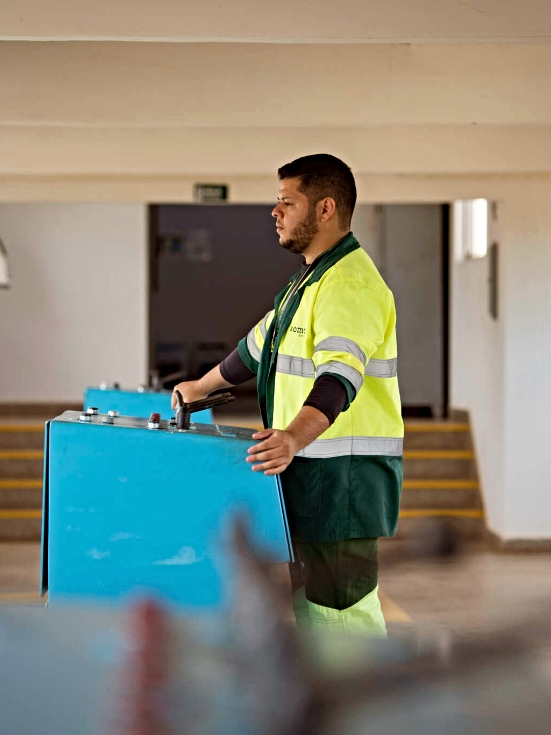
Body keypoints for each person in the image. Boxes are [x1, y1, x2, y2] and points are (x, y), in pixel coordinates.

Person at [173, 154, 404, 635]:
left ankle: (360, 706)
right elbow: (256, 348)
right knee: (316, 613)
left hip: (343, 483)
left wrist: (293, 438)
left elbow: (339, 379)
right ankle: (334, 700)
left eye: (286, 201)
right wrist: (201, 386)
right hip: (314, 478)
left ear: (324, 209)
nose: (274, 212)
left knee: (342, 614)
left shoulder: (349, 283)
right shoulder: (309, 281)